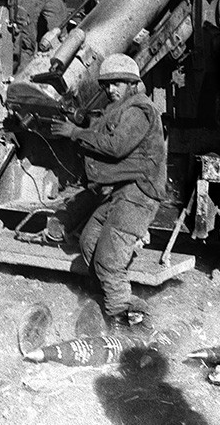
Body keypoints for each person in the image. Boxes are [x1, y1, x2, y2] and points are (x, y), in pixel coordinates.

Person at [48, 53, 166, 327]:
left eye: (117, 84)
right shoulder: (120, 108)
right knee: (89, 241)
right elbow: (102, 128)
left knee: (108, 260)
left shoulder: (139, 110)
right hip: (119, 192)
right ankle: (109, 300)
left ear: (131, 84)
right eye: (107, 85)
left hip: (139, 194)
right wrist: (78, 123)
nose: (111, 90)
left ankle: (123, 321)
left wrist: (74, 133)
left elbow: (116, 145)